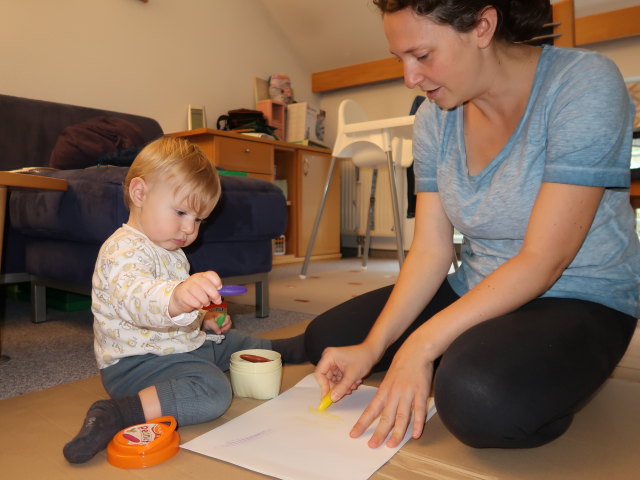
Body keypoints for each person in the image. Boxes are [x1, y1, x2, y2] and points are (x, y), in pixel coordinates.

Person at [305, 0, 640, 450]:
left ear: (483, 26)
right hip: (478, 284)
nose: (410, 78)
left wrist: (420, 346)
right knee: (330, 341)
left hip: (581, 295)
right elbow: (430, 250)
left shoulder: (582, 83)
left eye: (422, 56)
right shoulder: (433, 118)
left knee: (477, 398)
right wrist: (374, 346)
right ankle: (474, 352)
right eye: (400, 59)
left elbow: (545, 258)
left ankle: (495, 368)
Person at [63, 136, 304, 463]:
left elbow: (179, 312)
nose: (190, 229)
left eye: (198, 219)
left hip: (178, 344)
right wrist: (177, 297)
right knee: (213, 390)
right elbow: (137, 299)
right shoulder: (121, 250)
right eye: (180, 212)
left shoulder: (172, 250)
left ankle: (278, 349)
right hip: (135, 363)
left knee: (225, 340)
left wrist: (203, 316)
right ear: (139, 194)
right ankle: (118, 412)